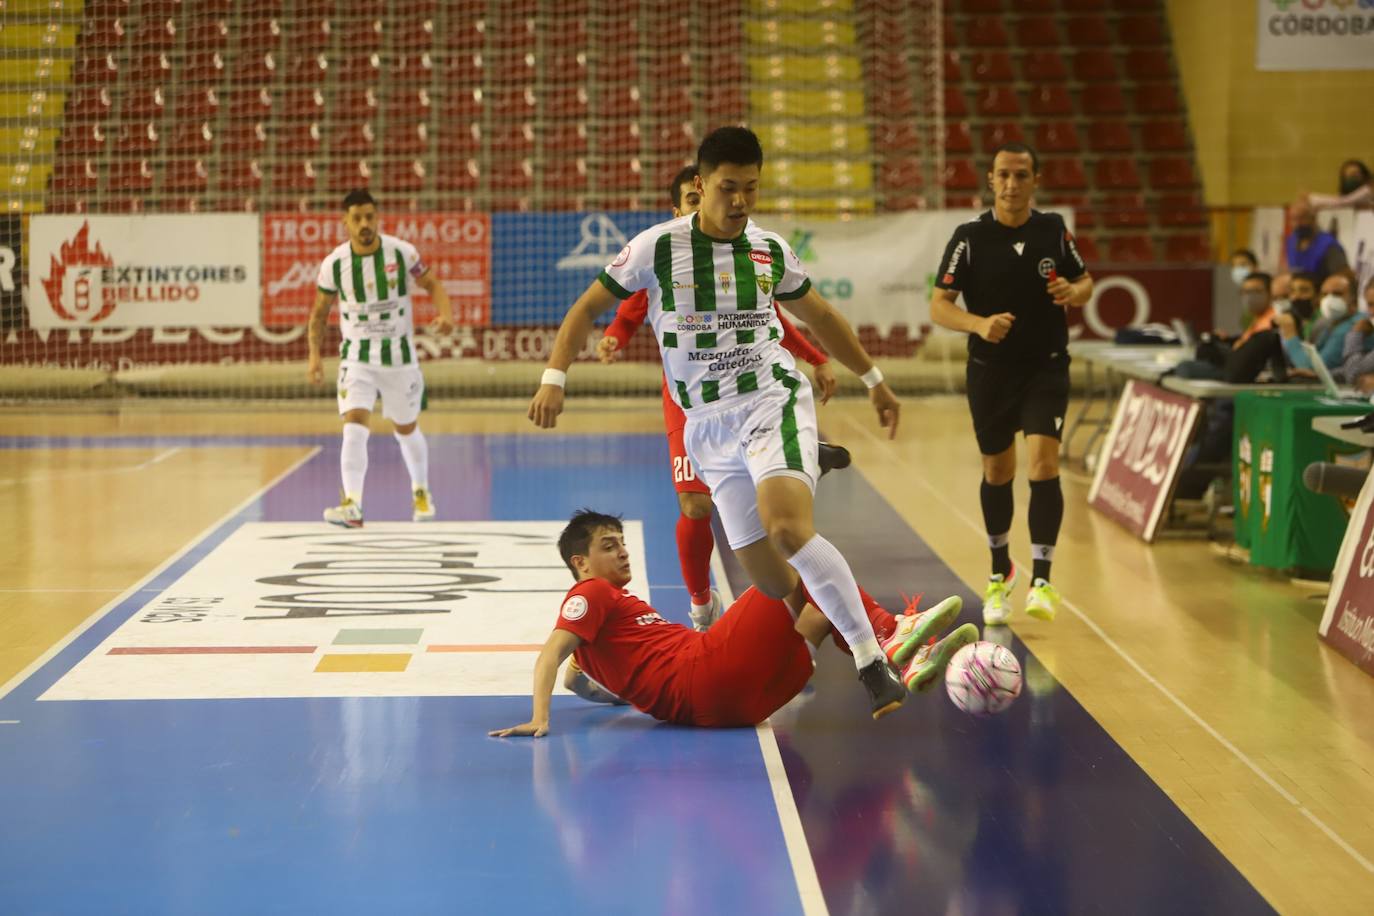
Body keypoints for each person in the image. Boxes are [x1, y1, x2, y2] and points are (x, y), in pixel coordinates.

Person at [528, 127, 910, 719]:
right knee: (772, 579)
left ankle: (871, 657)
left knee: (787, 529)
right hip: (707, 427)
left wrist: (873, 378)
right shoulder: (656, 248)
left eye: (751, 189)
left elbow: (822, 316)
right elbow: (585, 310)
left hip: (769, 398)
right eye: (728, 188)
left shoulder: (769, 250)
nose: (740, 202)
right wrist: (555, 377)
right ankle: (807, 462)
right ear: (700, 186)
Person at [596, 164, 850, 631]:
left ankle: (816, 627)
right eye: (694, 203)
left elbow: (773, 321)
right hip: (692, 402)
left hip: (754, 392)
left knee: (783, 521)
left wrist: (816, 358)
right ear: (683, 207)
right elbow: (628, 311)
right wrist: (613, 336)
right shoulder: (664, 256)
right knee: (695, 506)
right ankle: (701, 605)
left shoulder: (747, 254)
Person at [488, 510, 976, 736]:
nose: (621, 549)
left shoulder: (613, 621)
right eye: (607, 545)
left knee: (825, 605)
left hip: (737, 710)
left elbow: (581, 675)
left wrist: (588, 687)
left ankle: (905, 661)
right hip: (709, 670)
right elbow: (553, 652)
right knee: (798, 551)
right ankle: (890, 635)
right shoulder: (590, 594)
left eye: (621, 540)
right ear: (581, 563)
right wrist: (540, 716)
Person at [929, 142, 1093, 627]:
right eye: (1003, 175)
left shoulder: (1053, 230)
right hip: (991, 372)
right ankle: (1000, 574)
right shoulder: (969, 237)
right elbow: (939, 304)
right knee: (998, 470)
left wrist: (1072, 291)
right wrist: (978, 324)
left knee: (1044, 464)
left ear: (1035, 181)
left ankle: (1042, 578)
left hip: (1046, 366)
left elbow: (1085, 282)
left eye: (1021, 175)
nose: (1012, 184)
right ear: (991, 180)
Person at [307, 189, 454, 527]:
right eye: (356, 218)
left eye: (369, 217)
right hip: (356, 358)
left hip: (399, 360)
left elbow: (433, 284)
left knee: (406, 428)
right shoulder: (335, 264)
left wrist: (445, 314)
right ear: (346, 223)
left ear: (377, 218)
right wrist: (314, 357)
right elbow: (318, 314)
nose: (364, 224)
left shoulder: (401, 253)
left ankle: (421, 491)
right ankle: (353, 505)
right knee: (354, 425)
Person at [1279, 269, 1359, 374]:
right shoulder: (1328, 323)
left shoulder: (1353, 325)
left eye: (1337, 294)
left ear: (1354, 299)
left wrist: (1290, 335)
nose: (1330, 299)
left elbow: (1312, 368)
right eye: (1325, 294)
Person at [1283, 199, 1349, 288]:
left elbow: (1344, 278)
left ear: (1313, 218)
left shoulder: (1329, 246)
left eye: (1302, 218)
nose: (1297, 224)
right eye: (1293, 219)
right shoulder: (1291, 242)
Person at [1308, 159, 1373, 212]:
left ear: (1364, 176)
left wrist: (1312, 198)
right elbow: (1343, 201)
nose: (1351, 178)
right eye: (1348, 176)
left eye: (1355, 174)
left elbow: (1344, 201)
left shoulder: (1368, 191)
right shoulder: (1344, 197)